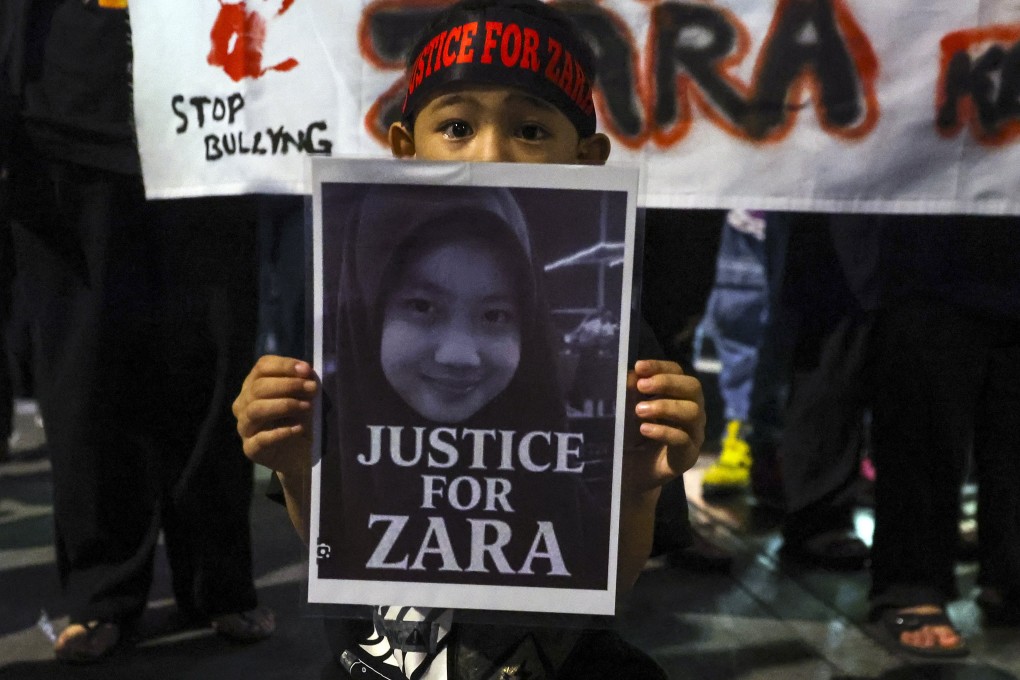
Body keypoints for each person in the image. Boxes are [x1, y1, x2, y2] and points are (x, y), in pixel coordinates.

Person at [233, 1, 706, 677]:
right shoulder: (338, 333)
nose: (489, 153)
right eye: (456, 126)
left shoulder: (612, 354)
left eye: (532, 130)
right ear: (405, 148)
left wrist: (636, 487)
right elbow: (334, 549)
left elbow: (615, 577)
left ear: (586, 158)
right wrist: (291, 461)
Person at [6, 0, 272, 662]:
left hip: (215, 108)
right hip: (64, 113)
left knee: (213, 361)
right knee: (85, 371)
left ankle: (218, 583)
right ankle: (102, 593)